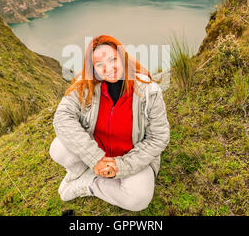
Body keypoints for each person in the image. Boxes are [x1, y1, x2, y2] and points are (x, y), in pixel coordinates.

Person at [49, 35, 170, 211]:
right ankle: (81, 172)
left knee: (138, 199)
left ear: (123, 57)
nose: (108, 68)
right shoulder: (86, 86)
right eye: (99, 64)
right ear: (94, 69)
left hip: (132, 156)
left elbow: (158, 137)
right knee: (58, 149)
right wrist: (95, 158)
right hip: (97, 151)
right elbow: (62, 118)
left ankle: (88, 183)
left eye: (113, 59)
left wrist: (121, 166)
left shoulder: (149, 90)